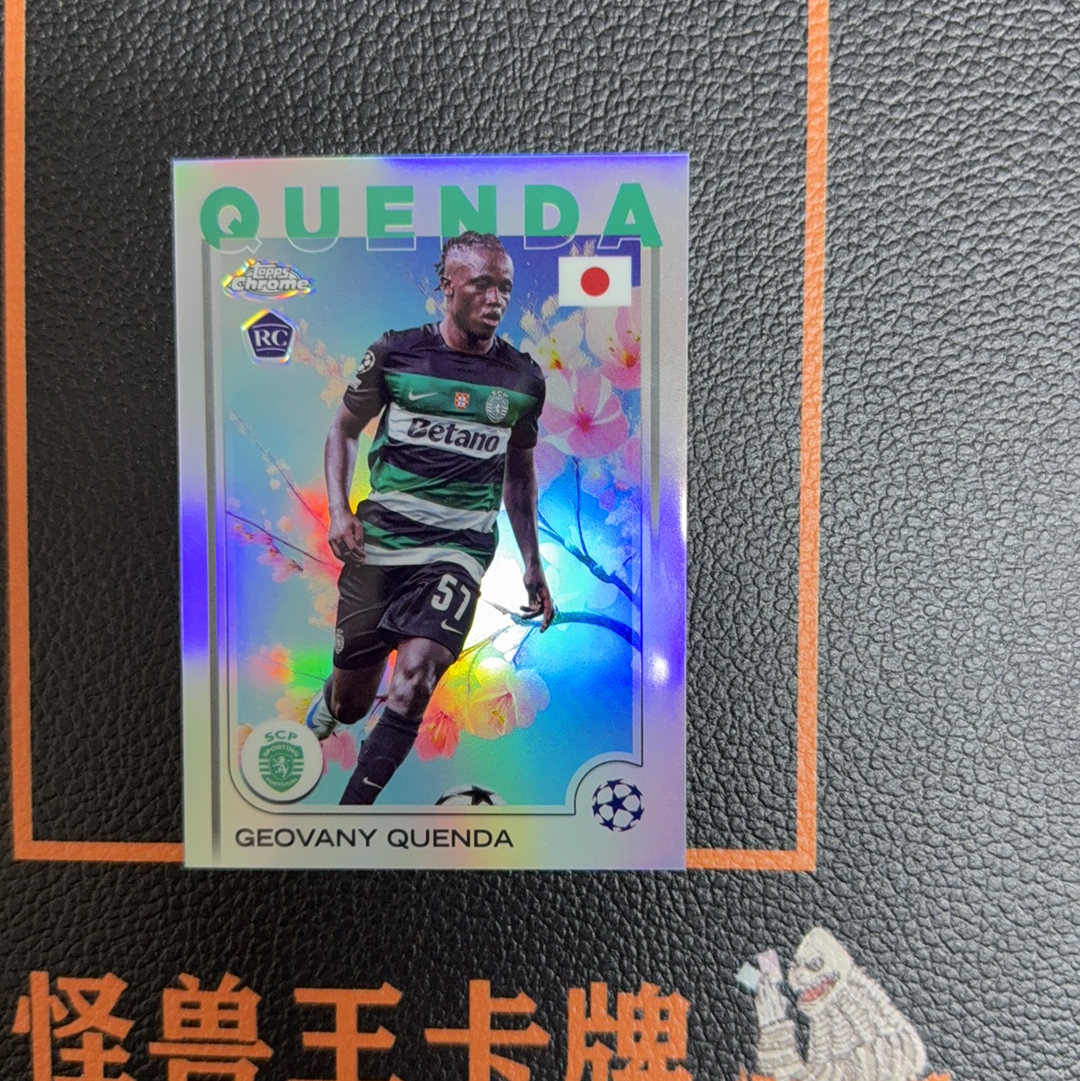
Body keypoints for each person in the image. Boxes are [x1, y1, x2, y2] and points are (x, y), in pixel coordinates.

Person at [306, 232, 554, 805]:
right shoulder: (396, 353)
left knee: (415, 680)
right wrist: (339, 510)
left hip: (458, 550)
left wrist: (532, 563)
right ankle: (333, 700)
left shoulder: (523, 380)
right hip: (380, 544)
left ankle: (351, 815)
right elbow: (344, 429)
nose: (496, 299)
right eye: (482, 285)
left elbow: (519, 476)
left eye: (505, 288)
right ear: (448, 286)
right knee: (350, 705)